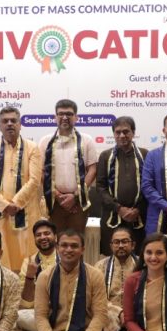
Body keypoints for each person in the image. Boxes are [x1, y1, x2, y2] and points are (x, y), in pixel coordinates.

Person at [0, 107, 44, 271]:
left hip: (26, 209)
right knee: (0, 251)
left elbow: (35, 180)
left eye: (13, 121)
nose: (9, 124)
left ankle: (27, 284)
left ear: (20, 124)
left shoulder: (32, 147)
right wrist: (5, 205)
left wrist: (16, 203)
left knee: (27, 253)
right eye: (5, 121)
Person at [39, 99, 98, 234]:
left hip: (78, 202)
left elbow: (92, 170)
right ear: (55, 117)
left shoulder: (87, 140)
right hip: (54, 202)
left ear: (76, 117)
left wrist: (75, 195)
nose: (65, 117)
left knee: (76, 240)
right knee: (55, 241)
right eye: (61, 114)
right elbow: (41, 171)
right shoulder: (45, 141)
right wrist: (58, 195)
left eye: (69, 114)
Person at [95, 116, 148, 255]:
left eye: (126, 131)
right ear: (113, 134)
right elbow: (100, 187)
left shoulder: (144, 154)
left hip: (138, 217)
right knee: (112, 256)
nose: (122, 135)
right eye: (118, 132)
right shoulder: (105, 156)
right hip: (112, 215)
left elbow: (149, 186)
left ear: (133, 132)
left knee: (138, 256)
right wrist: (119, 208)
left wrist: (138, 209)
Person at [94, 227, 139, 331]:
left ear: (133, 245)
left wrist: (129, 313)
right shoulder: (100, 266)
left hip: (136, 312)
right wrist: (119, 312)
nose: (120, 245)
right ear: (111, 245)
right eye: (116, 242)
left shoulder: (142, 265)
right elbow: (97, 297)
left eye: (125, 241)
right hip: (109, 314)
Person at [16, 220, 59, 331]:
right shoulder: (28, 262)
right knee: (18, 316)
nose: (43, 237)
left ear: (55, 237)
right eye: (38, 235)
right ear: (34, 239)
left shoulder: (65, 257)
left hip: (63, 311)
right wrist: (29, 277)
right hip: (39, 313)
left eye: (47, 233)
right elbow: (26, 304)